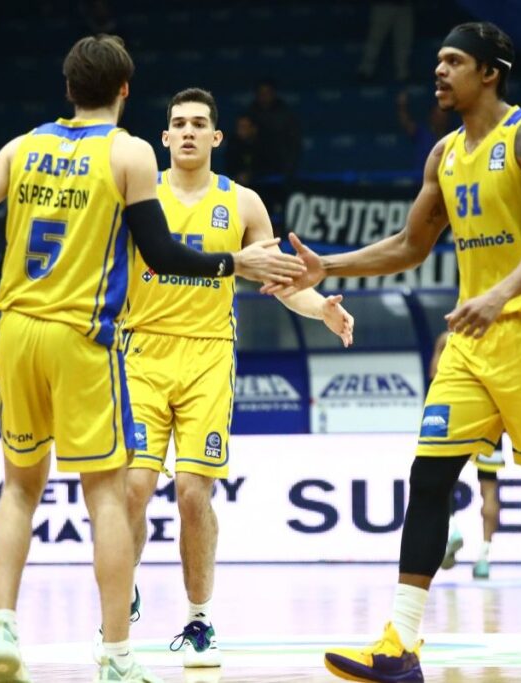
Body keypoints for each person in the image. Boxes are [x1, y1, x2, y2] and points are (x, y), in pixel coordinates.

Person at [0, 34, 304, 683]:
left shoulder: (22, 146)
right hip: (85, 334)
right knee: (109, 497)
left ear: (68, 88)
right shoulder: (129, 153)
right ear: (126, 91)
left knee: (20, 488)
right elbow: (162, 253)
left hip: (16, 330)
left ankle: (3, 624)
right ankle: (118, 654)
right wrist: (234, 262)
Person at [266, 22, 521, 682]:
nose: (438, 71)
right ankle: (399, 644)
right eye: (438, 60)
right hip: (472, 339)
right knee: (430, 477)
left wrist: (499, 294)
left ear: (489, 72)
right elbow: (411, 245)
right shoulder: (443, 153)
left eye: (453, 61)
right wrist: (330, 265)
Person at [105, 88, 354, 669]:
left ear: (217, 137)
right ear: (164, 137)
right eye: (178, 124)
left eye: (199, 124)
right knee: (133, 489)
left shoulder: (242, 202)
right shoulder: (139, 195)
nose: (188, 132)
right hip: (141, 353)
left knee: (193, 495)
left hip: (209, 356)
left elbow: (281, 281)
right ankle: (122, 594)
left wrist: (320, 309)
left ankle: (198, 620)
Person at [427, 332, 502, 580]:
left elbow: (435, 375)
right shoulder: (494, 338)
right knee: (489, 489)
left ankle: (452, 530)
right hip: (490, 417)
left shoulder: (447, 338)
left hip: (458, 414)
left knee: (444, 480)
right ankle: (484, 557)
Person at [246, 80, 302, 178]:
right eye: (261, 92)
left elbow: (293, 144)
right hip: (255, 168)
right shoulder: (249, 115)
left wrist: (288, 169)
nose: (264, 96)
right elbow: (242, 143)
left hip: (281, 166)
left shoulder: (285, 115)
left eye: (267, 92)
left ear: (274, 93)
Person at [397, 90, 453, 178]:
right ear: (432, 116)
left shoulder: (452, 137)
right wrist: (402, 105)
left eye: (443, 116)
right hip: (420, 178)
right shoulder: (422, 133)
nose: (440, 119)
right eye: (438, 116)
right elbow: (406, 123)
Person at [357, 0, 415, 82]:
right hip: (383, 6)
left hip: (404, 7)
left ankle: (402, 72)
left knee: (403, 41)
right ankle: (365, 70)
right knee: (375, 40)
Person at [223, 114, 261, 185]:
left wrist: (251, 174)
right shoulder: (233, 144)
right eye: (239, 127)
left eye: (244, 127)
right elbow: (230, 166)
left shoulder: (264, 144)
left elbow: (268, 166)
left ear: (254, 129)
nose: (240, 130)